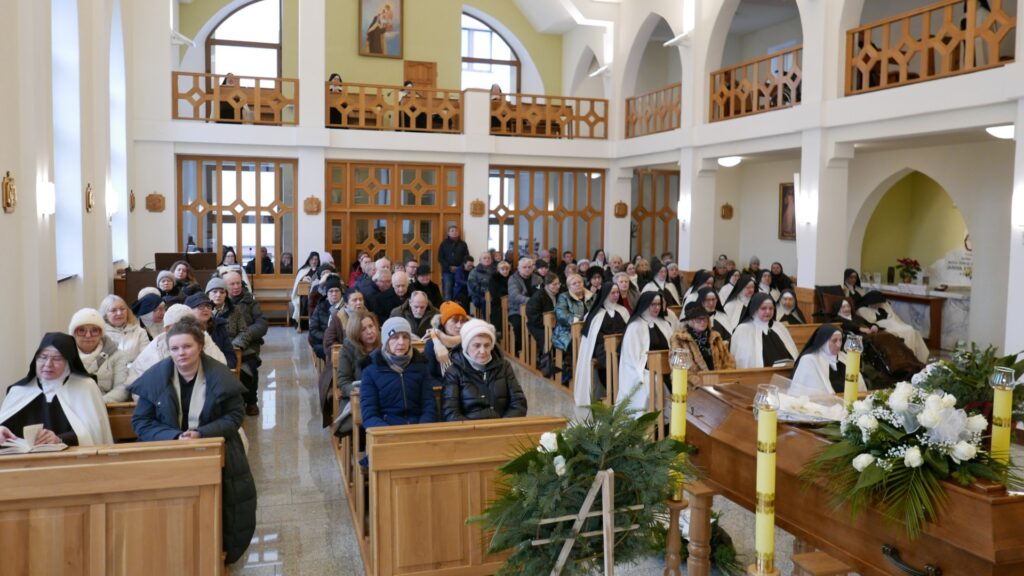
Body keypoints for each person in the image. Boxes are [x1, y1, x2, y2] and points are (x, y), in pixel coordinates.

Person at [129, 318, 256, 565]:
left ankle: (214, 551)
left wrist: (202, 433)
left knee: (223, 506)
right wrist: (174, 436)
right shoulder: (156, 377)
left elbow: (234, 416)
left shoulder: (219, 375)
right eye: (175, 348)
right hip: (167, 451)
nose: (181, 353)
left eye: (187, 346)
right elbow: (141, 422)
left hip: (216, 449)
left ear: (200, 346)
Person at [0, 333, 113, 446]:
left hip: (72, 455)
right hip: (24, 456)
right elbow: (5, 426)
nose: (48, 364)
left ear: (68, 362)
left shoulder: (85, 387)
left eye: (57, 359)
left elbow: (94, 434)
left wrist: (60, 439)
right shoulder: (19, 391)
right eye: (43, 357)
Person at [359, 317, 438, 430]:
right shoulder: (371, 370)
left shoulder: (421, 366)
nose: (401, 342)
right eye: (395, 337)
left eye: (405, 337)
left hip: (418, 428)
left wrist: (421, 430)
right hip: (386, 431)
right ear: (386, 341)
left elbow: (429, 406)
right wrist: (391, 434)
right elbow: (369, 415)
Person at [442, 319, 527, 421]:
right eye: (476, 345)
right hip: (470, 428)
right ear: (466, 346)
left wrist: (502, 425)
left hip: (502, 425)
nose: (482, 351)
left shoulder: (504, 366)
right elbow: (451, 412)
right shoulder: (454, 372)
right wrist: (475, 428)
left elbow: (519, 403)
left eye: (487, 345)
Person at [129, 304, 228, 383]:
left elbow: (220, 372)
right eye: (175, 327)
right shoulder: (158, 345)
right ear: (166, 329)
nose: (181, 331)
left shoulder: (205, 340)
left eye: (186, 326)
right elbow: (140, 379)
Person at [615, 292, 674, 414]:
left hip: (667, 370)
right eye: (653, 304)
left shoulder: (664, 324)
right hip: (642, 370)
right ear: (645, 305)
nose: (657, 308)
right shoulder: (634, 326)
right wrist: (642, 373)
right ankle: (652, 421)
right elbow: (631, 358)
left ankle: (671, 422)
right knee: (649, 386)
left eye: (659, 304)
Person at [572, 283, 629, 407]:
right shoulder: (597, 314)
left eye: (617, 293)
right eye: (612, 293)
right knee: (610, 358)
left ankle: (624, 393)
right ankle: (613, 392)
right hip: (601, 346)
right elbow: (593, 335)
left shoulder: (623, 311)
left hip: (621, 346)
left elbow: (628, 330)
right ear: (605, 294)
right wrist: (608, 340)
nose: (616, 295)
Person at [316, 289, 367, 427]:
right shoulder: (338, 318)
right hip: (344, 365)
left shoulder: (368, 318)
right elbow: (328, 343)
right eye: (354, 300)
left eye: (361, 300)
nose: (358, 303)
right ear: (347, 304)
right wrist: (345, 352)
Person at [222, 270, 268, 415]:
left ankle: (251, 400)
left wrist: (242, 338)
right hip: (225, 344)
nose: (236, 287)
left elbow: (261, 324)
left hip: (249, 343)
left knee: (250, 366)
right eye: (232, 284)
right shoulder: (219, 302)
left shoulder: (250, 302)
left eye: (238, 283)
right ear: (224, 286)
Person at [69, 308, 129, 403]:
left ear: (101, 333)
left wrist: (98, 404)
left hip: (104, 406)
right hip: (70, 406)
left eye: (94, 330)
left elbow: (122, 388)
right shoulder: (63, 354)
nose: (88, 335)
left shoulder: (117, 355)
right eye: (81, 330)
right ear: (73, 333)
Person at [789, 324, 865, 397]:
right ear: (823, 342)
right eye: (834, 341)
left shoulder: (844, 357)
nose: (838, 345)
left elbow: (859, 386)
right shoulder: (809, 360)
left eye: (840, 340)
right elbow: (809, 394)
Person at [856, 290, 930, 362]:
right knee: (902, 332)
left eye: (879, 303)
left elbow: (892, 317)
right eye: (876, 303)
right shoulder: (863, 310)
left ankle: (915, 357)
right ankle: (905, 358)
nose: (878, 305)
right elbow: (871, 322)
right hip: (883, 326)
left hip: (893, 323)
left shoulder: (883, 308)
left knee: (911, 330)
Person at [730, 293, 799, 369]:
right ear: (755, 309)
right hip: (758, 374)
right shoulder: (743, 330)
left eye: (771, 308)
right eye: (763, 308)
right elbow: (741, 361)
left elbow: (793, 354)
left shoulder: (779, 327)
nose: (768, 312)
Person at [335, 311, 379, 418]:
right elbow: (343, 382)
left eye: (371, 326)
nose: (370, 331)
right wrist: (356, 390)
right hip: (359, 397)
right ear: (355, 333)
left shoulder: (385, 344)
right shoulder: (348, 348)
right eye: (363, 329)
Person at [670, 303, 735, 375]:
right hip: (693, 381)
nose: (702, 322)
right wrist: (701, 381)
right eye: (698, 319)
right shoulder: (680, 339)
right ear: (690, 321)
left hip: (718, 379)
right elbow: (679, 369)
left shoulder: (715, 337)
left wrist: (724, 378)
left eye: (704, 318)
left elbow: (729, 362)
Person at [553, 273, 593, 382]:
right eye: (574, 283)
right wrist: (578, 321)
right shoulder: (564, 297)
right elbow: (561, 314)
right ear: (569, 286)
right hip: (567, 332)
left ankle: (588, 375)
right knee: (577, 343)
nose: (577, 285)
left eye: (579, 282)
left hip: (589, 330)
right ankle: (573, 373)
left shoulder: (591, 296)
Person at [186, 292, 236, 370]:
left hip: (219, 370)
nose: (206, 309)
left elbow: (230, 355)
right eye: (201, 306)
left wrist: (223, 369)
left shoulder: (219, 327)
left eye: (208, 306)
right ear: (190, 310)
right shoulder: (184, 330)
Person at [100, 294, 151, 365]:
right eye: (114, 310)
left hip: (135, 370)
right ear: (105, 315)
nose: (119, 313)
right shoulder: (100, 334)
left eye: (122, 309)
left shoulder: (140, 332)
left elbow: (147, 358)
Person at [424, 302, 470, 379]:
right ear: (443, 323)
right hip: (442, 384)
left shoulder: (470, 341)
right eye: (454, 321)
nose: (459, 325)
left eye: (462, 321)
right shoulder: (432, 344)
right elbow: (429, 374)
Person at [526, 273, 561, 372]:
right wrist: (549, 325)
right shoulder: (538, 296)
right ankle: (546, 365)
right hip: (538, 325)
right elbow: (533, 316)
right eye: (554, 284)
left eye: (558, 283)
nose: (558, 286)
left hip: (554, 324)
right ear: (547, 285)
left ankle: (561, 363)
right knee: (548, 338)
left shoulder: (560, 294)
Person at [507, 258, 538, 355]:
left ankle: (537, 350)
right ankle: (520, 348)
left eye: (529, 267)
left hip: (534, 310)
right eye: (524, 267)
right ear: (518, 268)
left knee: (541, 323)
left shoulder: (538, 278)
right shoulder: (513, 279)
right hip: (517, 310)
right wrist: (532, 301)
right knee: (518, 324)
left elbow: (541, 293)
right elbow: (515, 296)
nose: (527, 269)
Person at [309, 276, 343, 360]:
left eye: (337, 291)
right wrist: (327, 338)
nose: (334, 294)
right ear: (327, 294)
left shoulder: (346, 306)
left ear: (341, 292)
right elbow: (313, 329)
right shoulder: (320, 307)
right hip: (323, 341)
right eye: (331, 291)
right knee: (329, 352)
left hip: (342, 341)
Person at [289, 251, 321, 326]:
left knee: (317, 300)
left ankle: (315, 323)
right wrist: (303, 279)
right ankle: (303, 324)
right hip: (304, 294)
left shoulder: (320, 270)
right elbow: (298, 283)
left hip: (317, 293)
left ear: (318, 261)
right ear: (309, 260)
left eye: (316, 259)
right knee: (305, 301)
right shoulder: (303, 271)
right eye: (312, 259)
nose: (314, 261)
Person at [438, 225, 469, 300]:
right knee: (448, 292)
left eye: (456, 231)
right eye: (452, 231)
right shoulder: (444, 243)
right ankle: (448, 307)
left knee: (460, 292)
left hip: (460, 271)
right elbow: (440, 258)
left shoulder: (463, 244)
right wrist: (449, 267)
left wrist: (459, 267)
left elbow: (466, 257)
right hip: (447, 272)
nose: (454, 232)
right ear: (448, 233)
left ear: (458, 233)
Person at [468, 251, 494, 318]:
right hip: (479, 296)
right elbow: (473, 286)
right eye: (484, 258)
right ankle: (486, 321)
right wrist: (486, 293)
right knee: (485, 301)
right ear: (480, 260)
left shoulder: (495, 270)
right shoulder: (474, 272)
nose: (487, 260)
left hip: (493, 295)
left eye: (489, 258)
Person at [488, 260, 511, 330]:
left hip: (511, 301)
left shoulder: (512, 278)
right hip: (498, 302)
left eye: (507, 269)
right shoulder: (494, 278)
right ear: (498, 270)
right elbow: (494, 293)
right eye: (502, 269)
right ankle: (499, 330)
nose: (505, 271)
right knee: (498, 312)